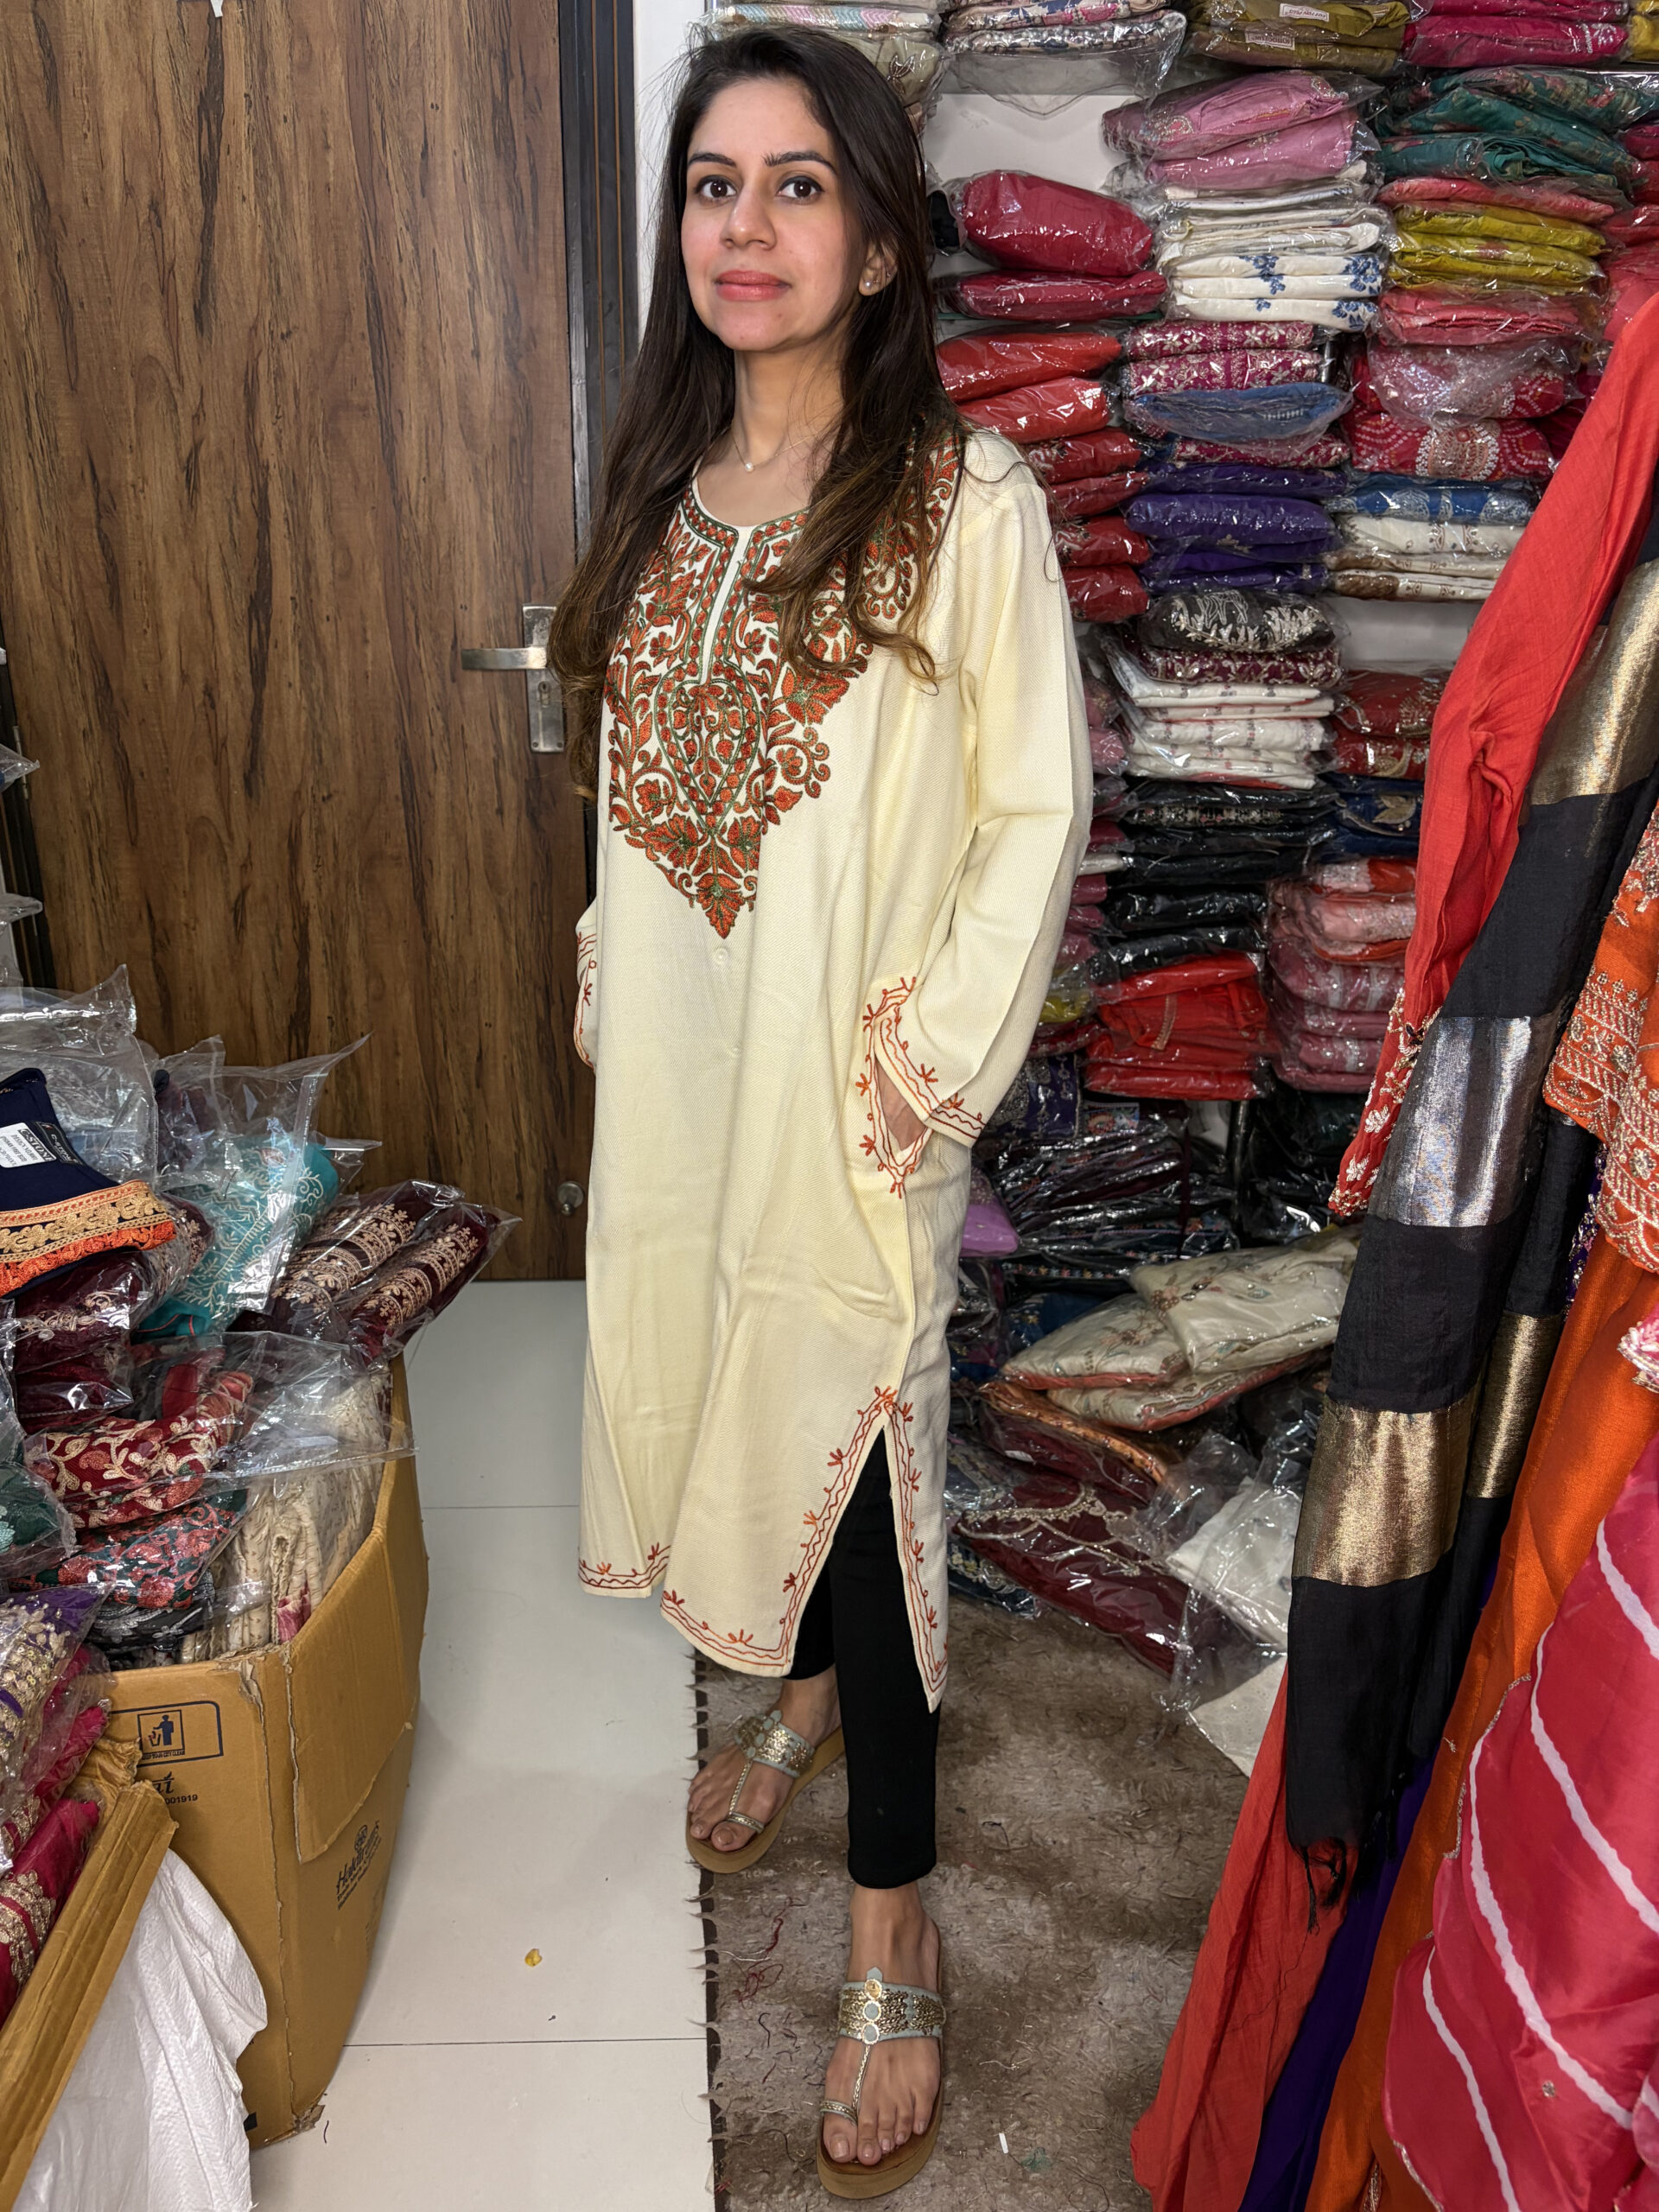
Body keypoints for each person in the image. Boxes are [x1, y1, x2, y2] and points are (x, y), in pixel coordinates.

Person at [550, 26, 1087, 2196]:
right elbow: (632, 786)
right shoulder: (663, 498)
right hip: (693, 1074)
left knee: (862, 1456)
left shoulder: (967, 505)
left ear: (876, 246)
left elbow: (1032, 815)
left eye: (797, 186)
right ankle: (796, 1696)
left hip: (850, 1098)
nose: (746, 227)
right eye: (714, 185)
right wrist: (614, 967)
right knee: (727, 1391)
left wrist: (918, 1068)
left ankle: (894, 1918)